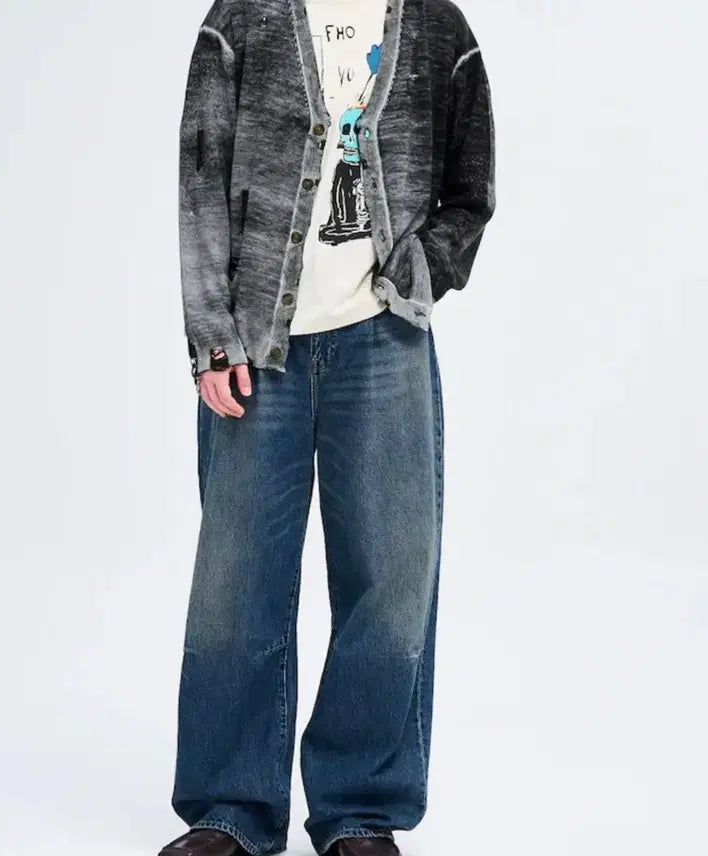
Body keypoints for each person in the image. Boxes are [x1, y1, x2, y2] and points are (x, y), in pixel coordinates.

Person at [159, 0, 495, 854]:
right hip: (254, 346)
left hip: (385, 341)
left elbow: (472, 186)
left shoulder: (437, 27)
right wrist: (211, 335)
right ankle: (230, 809)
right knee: (237, 583)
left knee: (391, 581)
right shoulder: (243, 18)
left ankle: (360, 811)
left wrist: (422, 269)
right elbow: (201, 178)